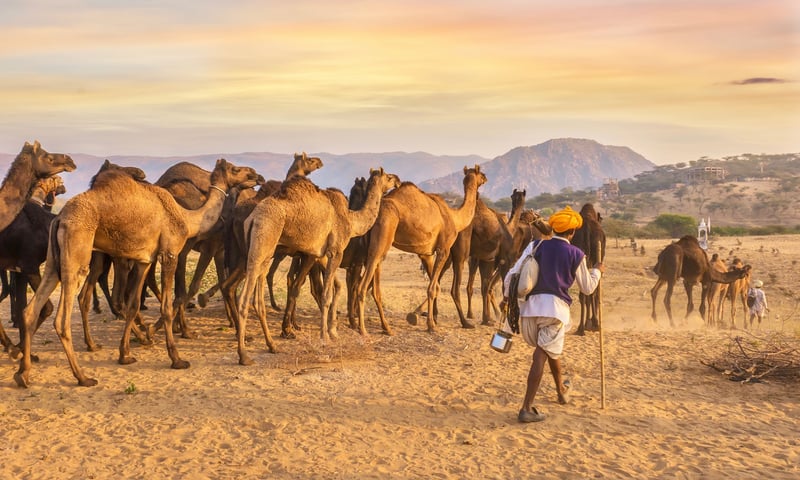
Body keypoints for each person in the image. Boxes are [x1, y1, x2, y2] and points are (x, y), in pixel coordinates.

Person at [503, 206, 604, 423]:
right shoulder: (576, 254)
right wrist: (597, 271)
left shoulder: (536, 245)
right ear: (572, 232)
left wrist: (506, 296)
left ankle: (561, 390)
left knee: (549, 350)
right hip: (555, 311)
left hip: (529, 311)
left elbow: (514, 273)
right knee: (541, 354)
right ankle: (526, 408)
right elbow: (587, 288)